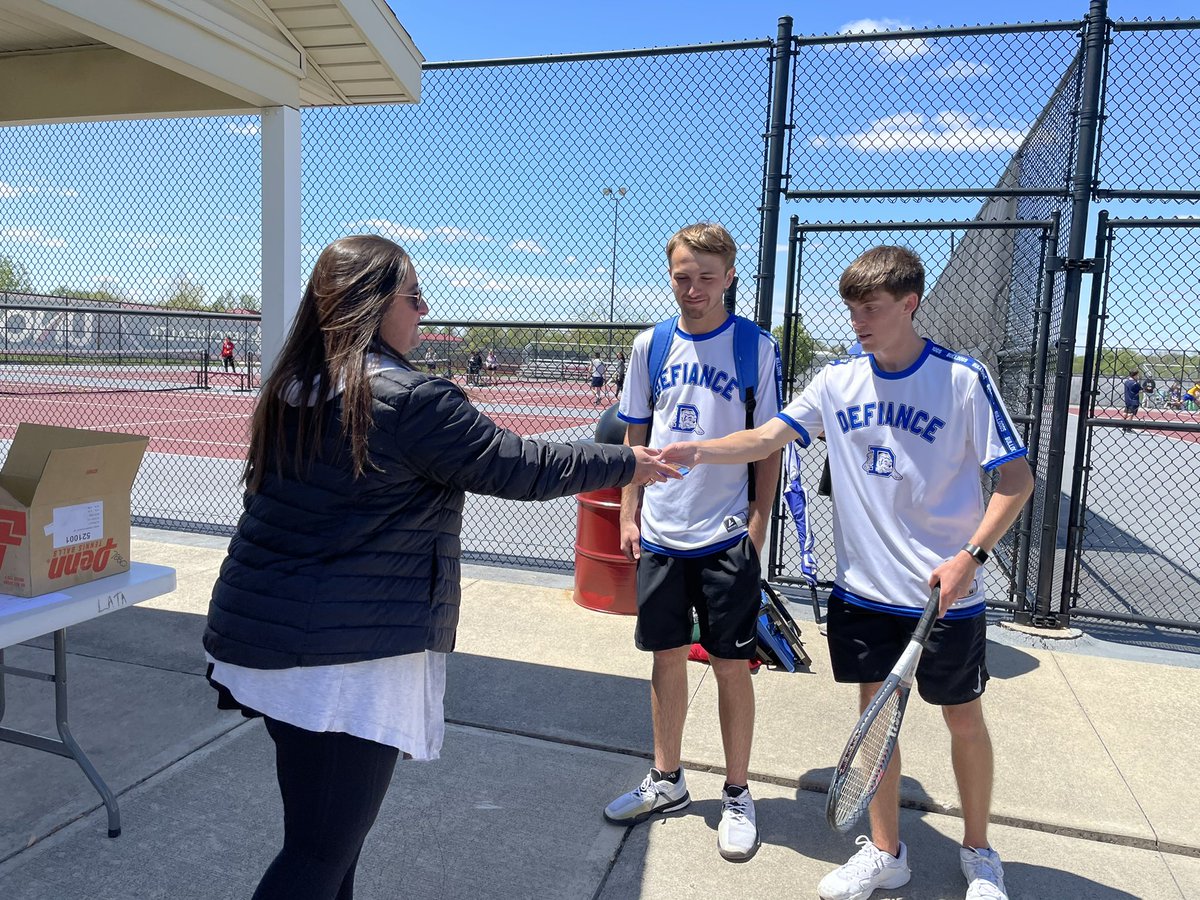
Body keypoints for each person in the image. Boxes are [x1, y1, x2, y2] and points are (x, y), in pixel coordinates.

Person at [202, 235, 679, 900]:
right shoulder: (406, 397)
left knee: (324, 845)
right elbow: (515, 464)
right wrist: (630, 461)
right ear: (372, 304)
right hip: (343, 662)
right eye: (414, 296)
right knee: (316, 855)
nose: (423, 311)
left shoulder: (295, 386)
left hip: (273, 643)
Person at [659, 245, 1033, 900]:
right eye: (852, 309)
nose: (858, 321)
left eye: (872, 308)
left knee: (963, 721)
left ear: (909, 304)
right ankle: (888, 853)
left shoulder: (963, 380)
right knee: (874, 726)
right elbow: (766, 437)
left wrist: (969, 559)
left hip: (943, 599)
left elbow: (1016, 480)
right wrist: (697, 448)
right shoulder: (837, 382)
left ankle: (980, 853)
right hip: (863, 596)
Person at [605, 222, 782, 863]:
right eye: (683, 276)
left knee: (733, 664)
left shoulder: (754, 347)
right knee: (666, 657)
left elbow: (768, 447)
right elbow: (635, 437)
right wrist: (630, 515)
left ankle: (737, 793)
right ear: (671, 275)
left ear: (730, 276)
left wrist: (759, 525)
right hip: (660, 533)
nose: (694, 288)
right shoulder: (649, 345)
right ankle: (668, 779)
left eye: (707, 276)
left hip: (726, 536)